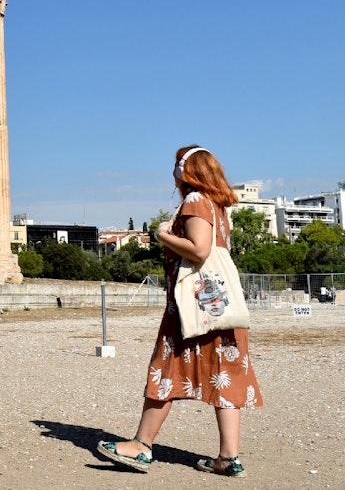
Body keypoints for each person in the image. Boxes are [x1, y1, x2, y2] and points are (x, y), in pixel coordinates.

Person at [96, 146, 263, 477]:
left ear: (187, 170)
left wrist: (162, 235)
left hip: (193, 310)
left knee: (165, 369)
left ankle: (142, 445)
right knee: (225, 375)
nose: (172, 170)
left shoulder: (195, 201)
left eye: (176, 164)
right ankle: (228, 459)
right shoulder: (218, 206)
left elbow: (200, 250)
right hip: (221, 310)